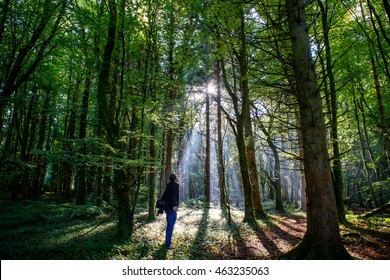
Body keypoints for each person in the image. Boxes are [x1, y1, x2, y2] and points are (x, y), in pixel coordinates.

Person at [160, 174, 179, 250]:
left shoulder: (168, 186)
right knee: (170, 227)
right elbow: (174, 196)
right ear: (175, 179)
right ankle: (167, 246)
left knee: (169, 226)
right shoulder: (175, 186)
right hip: (171, 208)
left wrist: (161, 208)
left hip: (167, 208)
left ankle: (167, 243)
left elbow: (164, 196)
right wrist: (174, 205)